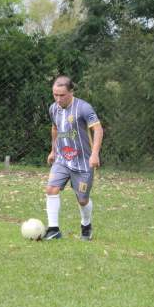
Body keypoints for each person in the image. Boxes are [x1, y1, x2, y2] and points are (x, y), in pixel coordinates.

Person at [43, 76, 103, 241]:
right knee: (51, 189)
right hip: (62, 159)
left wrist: (95, 153)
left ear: (71, 92)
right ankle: (54, 230)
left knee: (82, 200)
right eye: (55, 94)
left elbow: (98, 129)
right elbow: (55, 128)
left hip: (83, 162)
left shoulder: (84, 108)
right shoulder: (53, 109)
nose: (58, 99)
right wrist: (53, 151)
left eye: (62, 95)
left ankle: (86, 224)